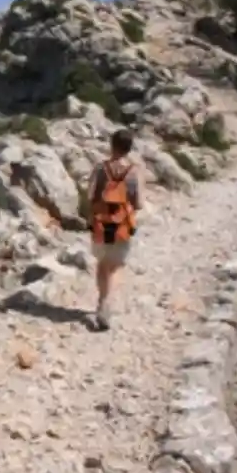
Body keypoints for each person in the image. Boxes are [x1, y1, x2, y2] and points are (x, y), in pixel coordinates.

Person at [87, 128, 141, 331]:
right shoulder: (134, 171)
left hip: (102, 222)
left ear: (112, 145)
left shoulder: (101, 168)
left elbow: (90, 195)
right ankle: (107, 303)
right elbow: (140, 202)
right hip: (122, 224)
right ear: (129, 148)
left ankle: (103, 302)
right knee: (115, 265)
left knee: (102, 264)